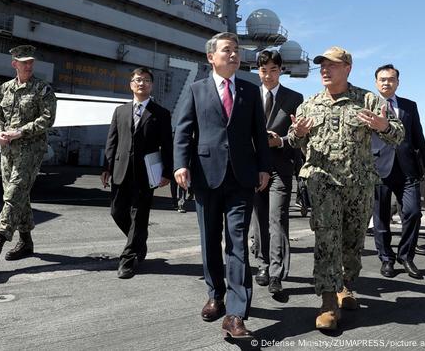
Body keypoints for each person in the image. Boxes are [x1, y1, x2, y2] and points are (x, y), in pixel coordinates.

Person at [288, 47, 403, 331]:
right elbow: (293, 141)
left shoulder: (369, 100)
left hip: (359, 184)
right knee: (327, 239)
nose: (325, 70)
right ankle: (328, 301)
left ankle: (344, 285)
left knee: (352, 242)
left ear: (348, 68)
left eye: (332, 65)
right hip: (323, 182)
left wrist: (383, 125)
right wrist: (298, 134)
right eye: (322, 66)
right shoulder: (309, 104)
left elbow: (398, 135)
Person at [174, 32, 270, 339]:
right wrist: (180, 163)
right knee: (210, 240)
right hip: (206, 175)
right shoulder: (196, 89)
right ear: (210, 57)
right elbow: (183, 130)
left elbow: (259, 133)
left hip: (242, 177)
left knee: (238, 243)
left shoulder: (251, 91)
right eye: (227, 50)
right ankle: (215, 294)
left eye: (236, 50)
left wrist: (264, 168)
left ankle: (236, 313)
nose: (234, 55)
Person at [0, 45, 57, 269]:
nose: (29, 66)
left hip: (31, 150)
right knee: (20, 196)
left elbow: (47, 119)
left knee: (13, 194)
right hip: (7, 151)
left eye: (31, 62)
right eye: (24, 62)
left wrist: (22, 131)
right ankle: (26, 242)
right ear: (15, 64)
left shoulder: (42, 89)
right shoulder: (3, 89)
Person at [101, 67, 173, 279]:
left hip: (147, 173)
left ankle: (128, 260)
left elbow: (167, 146)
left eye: (146, 81)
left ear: (151, 86)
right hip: (120, 169)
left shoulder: (161, 113)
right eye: (138, 80)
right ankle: (139, 241)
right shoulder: (120, 111)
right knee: (116, 212)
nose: (142, 83)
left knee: (139, 216)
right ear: (131, 84)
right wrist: (106, 168)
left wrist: (167, 172)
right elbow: (111, 141)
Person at [250, 50, 303, 295]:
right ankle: (262, 264)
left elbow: (300, 137)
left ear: (280, 70)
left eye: (273, 70)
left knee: (277, 219)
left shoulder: (295, 98)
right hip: (252, 168)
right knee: (259, 219)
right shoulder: (248, 96)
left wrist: (280, 141)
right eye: (263, 70)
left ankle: (276, 272)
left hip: (281, 169)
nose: (268, 75)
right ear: (258, 71)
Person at [370, 64, 425, 280]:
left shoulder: (409, 106)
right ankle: (386, 259)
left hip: (407, 169)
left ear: (397, 82)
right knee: (382, 218)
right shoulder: (368, 105)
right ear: (376, 82)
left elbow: (418, 135)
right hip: (379, 169)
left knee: (413, 212)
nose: (387, 82)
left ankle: (406, 256)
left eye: (391, 79)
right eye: (383, 79)